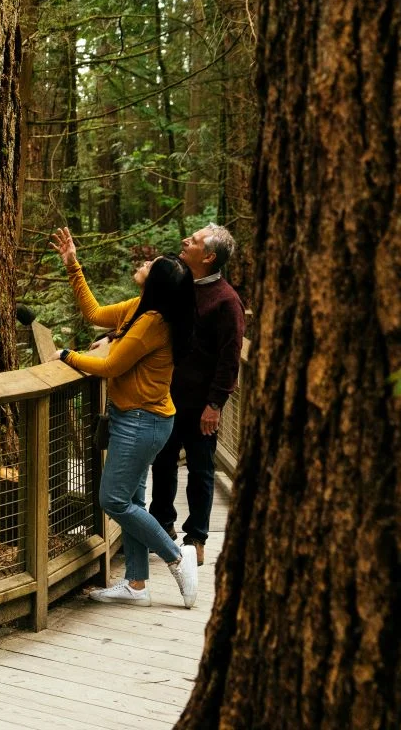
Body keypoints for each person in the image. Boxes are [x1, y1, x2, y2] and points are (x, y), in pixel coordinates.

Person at [50, 227, 200, 608]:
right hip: (133, 417)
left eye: (152, 265)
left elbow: (112, 365)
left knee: (114, 500)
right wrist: (72, 265)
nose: (145, 263)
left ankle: (176, 557)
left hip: (143, 422)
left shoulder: (154, 323)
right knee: (132, 498)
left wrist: (66, 355)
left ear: (158, 285)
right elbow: (96, 313)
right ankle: (136, 584)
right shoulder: (140, 309)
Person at [150, 224, 246, 565]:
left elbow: (230, 357)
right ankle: (161, 529)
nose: (184, 241)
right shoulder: (180, 285)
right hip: (166, 396)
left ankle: (197, 538)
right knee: (162, 464)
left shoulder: (226, 301)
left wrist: (215, 404)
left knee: (201, 471)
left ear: (208, 256)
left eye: (193, 241)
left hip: (202, 404)